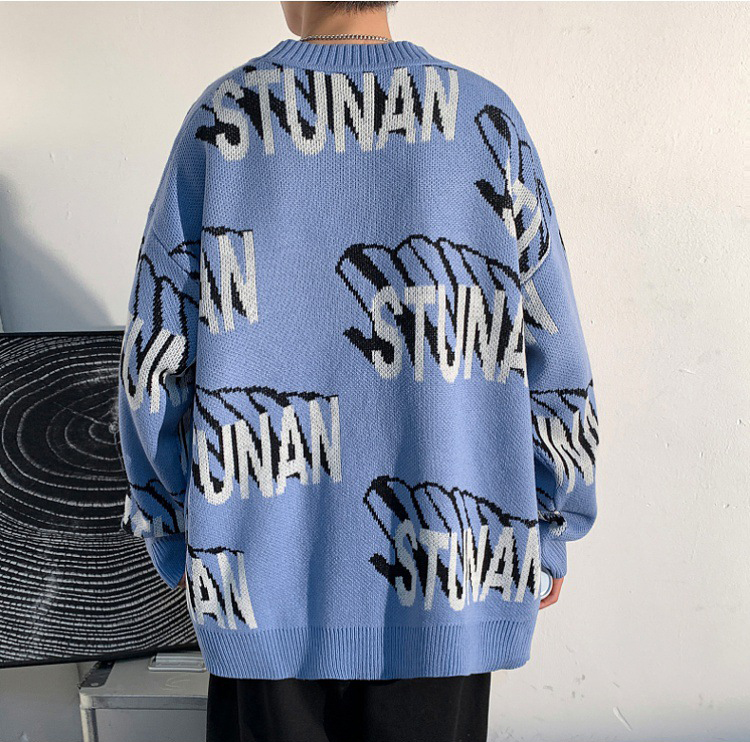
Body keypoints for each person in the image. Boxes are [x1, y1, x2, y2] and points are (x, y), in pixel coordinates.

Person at [116, 1, 600, 740]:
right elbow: (553, 343)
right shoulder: (484, 117)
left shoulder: (223, 118)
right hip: (447, 579)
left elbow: (153, 365)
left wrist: (173, 530)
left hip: (261, 579)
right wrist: (552, 521)